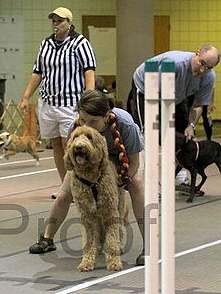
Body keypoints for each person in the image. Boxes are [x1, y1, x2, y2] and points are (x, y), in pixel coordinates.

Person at [29, 90, 146, 266]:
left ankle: (149, 244)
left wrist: (120, 183)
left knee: (136, 185)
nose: (87, 125)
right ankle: (47, 238)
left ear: (106, 116)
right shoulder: (75, 128)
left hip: (123, 159)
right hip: (89, 163)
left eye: (93, 121)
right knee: (63, 195)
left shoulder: (125, 125)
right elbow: (72, 161)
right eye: (83, 120)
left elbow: (134, 162)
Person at [19, 7, 96, 183]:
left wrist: (89, 98)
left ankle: (79, 183)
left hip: (71, 103)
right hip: (48, 103)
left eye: (60, 21)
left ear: (69, 23)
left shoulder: (80, 43)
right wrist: (25, 97)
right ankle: (65, 185)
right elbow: (37, 72)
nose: (56, 24)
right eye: (53, 21)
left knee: (69, 144)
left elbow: (89, 71)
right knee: (55, 145)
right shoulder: (45, 44)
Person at [128, 44, 220, 140]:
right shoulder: (175, 64)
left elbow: (198, 106)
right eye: (202, 63)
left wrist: (191, 126)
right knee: (147, 131)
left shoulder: (209, 77)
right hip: (147, 87)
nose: (202, 70)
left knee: (183, 132)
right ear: (197, 54)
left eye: (208, 68)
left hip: (176, 94)